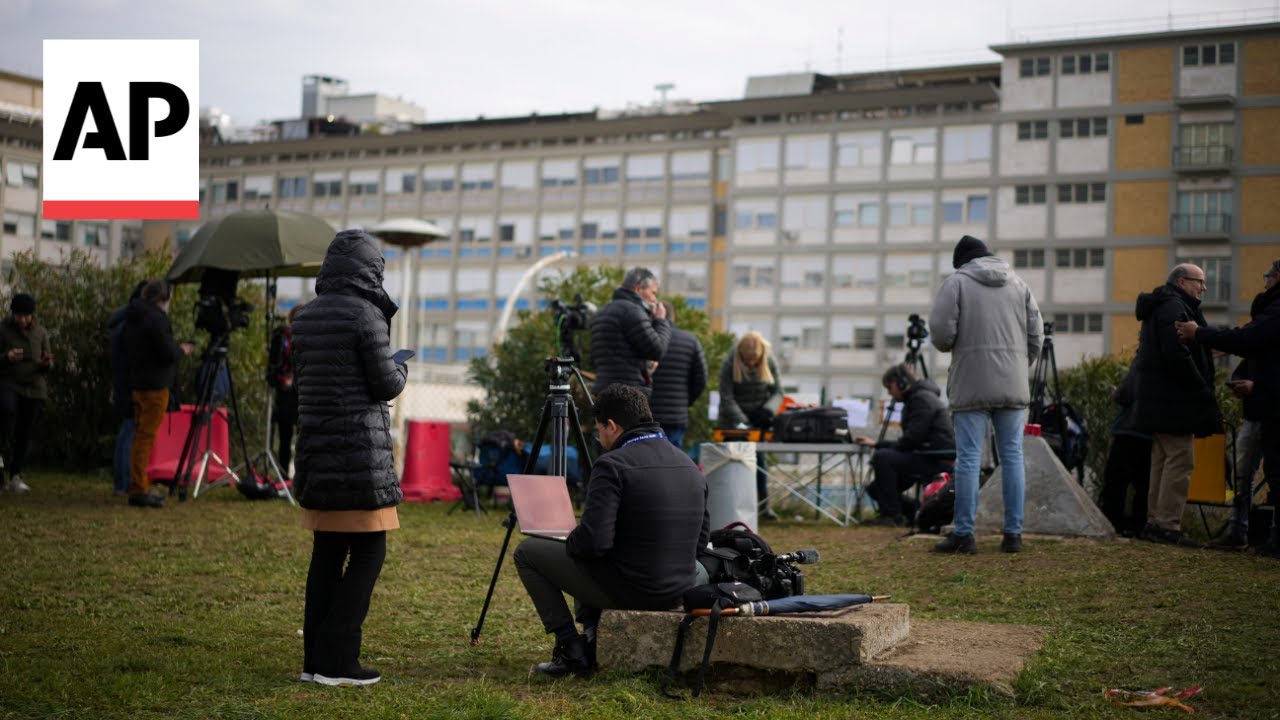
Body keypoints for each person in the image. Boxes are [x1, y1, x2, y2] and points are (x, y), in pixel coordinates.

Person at [513, 384, 708, 679]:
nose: (599, 438)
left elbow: (593, 543)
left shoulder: (612, 465)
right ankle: (593, 635)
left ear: (612, 426)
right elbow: (700, 542)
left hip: (634, 589)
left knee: (528, 553)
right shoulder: (689, 465)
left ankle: (571, 647)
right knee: (598, 550)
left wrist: (572, 535)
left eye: (598, 430)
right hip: (680, 587)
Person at [293, 229, 409, 687]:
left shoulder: (303, 317)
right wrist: (401, 366)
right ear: (371, 270)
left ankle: (313, 662)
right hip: (360, 457)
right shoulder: (367, 316)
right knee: (369, 551)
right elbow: (385, 384)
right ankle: (339, 660)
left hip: (317, 453)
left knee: (326, 553)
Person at [927, 235, 1043, 554]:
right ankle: (1013, 535)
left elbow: (939, 331)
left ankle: (964, 535)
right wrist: (1019, 364)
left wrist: (951, 346)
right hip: (1013, 382)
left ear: (961, 261)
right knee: (1012, 457)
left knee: (968, 460)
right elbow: (1037, 334)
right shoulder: (1019, 284)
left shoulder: (957, 282)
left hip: (971, 382)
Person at [1174, 259, 1279, 556]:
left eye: (1268, 276)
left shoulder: (1276, 310)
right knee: (1244, 475)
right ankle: (1239, 530)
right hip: (1259, 410)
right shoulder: (1269, 311)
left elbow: (1249, 339)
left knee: (1276, 474)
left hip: (1270, 408)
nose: (1264, 281)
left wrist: (1200, 334)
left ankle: (1270, 538)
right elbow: (1254, 345)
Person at [1130, 264, 1221, 547]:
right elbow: (1176, 353)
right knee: (1181, 460)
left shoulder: (1166, 305)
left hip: (1161, 400)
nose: (1204, 288)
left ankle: (1155, 522)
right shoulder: (1174, 307)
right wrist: (1200, 387)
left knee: (1162, 460)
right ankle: (1168, 525)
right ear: (1182, 281)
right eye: (1200, 282)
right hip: (1174, 401)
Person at [853, 363, 955, 527]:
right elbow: (912, 441)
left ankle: (891, 516)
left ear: (901, 383)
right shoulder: (919, 398)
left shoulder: (921, 399)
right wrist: (879, 444)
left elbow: (911, 440)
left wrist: (879, 445)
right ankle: (918, 512)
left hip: (935, 460)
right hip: (927, 455)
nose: (889, 392)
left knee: (883, 458)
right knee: (875, 489)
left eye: (889, 387)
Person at [124, 280, 194, 508]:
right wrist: (181, 350)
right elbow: (165, 352)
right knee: (146, 438)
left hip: (138, 383)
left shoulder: (134, 316)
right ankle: (139, 489)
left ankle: (138, 483)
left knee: (139, 436)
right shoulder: (156, 319)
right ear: (163, 299)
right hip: (155, 386)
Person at [717, 331, 784, 521]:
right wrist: (744, 421)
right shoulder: (729, 363)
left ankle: (763, 507)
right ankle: (729, 506)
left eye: (755, 361)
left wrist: (768, 411)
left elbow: (778, 392)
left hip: (759, 420)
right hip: (731, 421)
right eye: (747, 361)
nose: (751, 365)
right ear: (741, 355)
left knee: (759, 462)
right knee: (731, 463)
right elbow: (726, 397)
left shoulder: (769, 361)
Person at [589, 267, 671, 397]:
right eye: (653, 292)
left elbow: (595, 357)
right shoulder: (632, 312)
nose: (655, 299)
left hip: (602, 389)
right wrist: (661, 320)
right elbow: (657, 350)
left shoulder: (603, 311)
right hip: (627, 393)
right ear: (638, 289)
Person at [0, 293, 53, 493]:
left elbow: (48, 361)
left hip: (34, 388)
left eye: (26, 316)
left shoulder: (40, 332)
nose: (22, 320)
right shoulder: (3, 330)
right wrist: (7, 357)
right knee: (5, 421)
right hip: (9, 384)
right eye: (19, 315)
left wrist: (45, 363)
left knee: (25, 433)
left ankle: (16, 474)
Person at [1097, 368, 1151, 538]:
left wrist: (1116, 393)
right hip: (1153, 433)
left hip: (1129, 429)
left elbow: (1125, 394)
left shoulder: (1144, 358)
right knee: (1144, 485)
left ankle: (1112, 524)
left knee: (1116, 482)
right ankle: (1139, 526)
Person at [649, 301, 707, 450]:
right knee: (673, 463)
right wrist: (684, 402)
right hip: (675, 416)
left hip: (647, 415)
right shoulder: (690, 341)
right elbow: (701, 380)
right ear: (673, 317)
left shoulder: (644, 339)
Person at [108, 282, 147, 497]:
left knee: (127, 432)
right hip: (131, 385)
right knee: (129, 433)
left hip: (123, 384)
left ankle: (123, 481)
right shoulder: (129, 325)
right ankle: (124, 482)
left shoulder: (120, 321)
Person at [267, 303, 303, 478]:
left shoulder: (281, 337)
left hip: (284, 393)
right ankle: (301, 475)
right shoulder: (306, 339)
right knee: (303, 439)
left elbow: (273, 369)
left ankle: (282, 474)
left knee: (284, 438)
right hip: (302, 395)